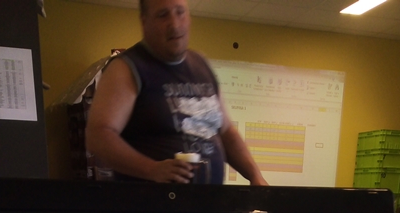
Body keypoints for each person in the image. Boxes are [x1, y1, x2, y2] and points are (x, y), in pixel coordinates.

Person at [85, 0, 267, 185]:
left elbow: (226, 131)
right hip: (151, 202)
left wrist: (255, 176)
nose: (174, 24)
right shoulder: (127, 68)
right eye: (163, 15)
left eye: (180, 12)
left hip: (209, 202)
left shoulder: (201, 65)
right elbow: (98, 136)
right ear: (144, 21)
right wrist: (151, 169)